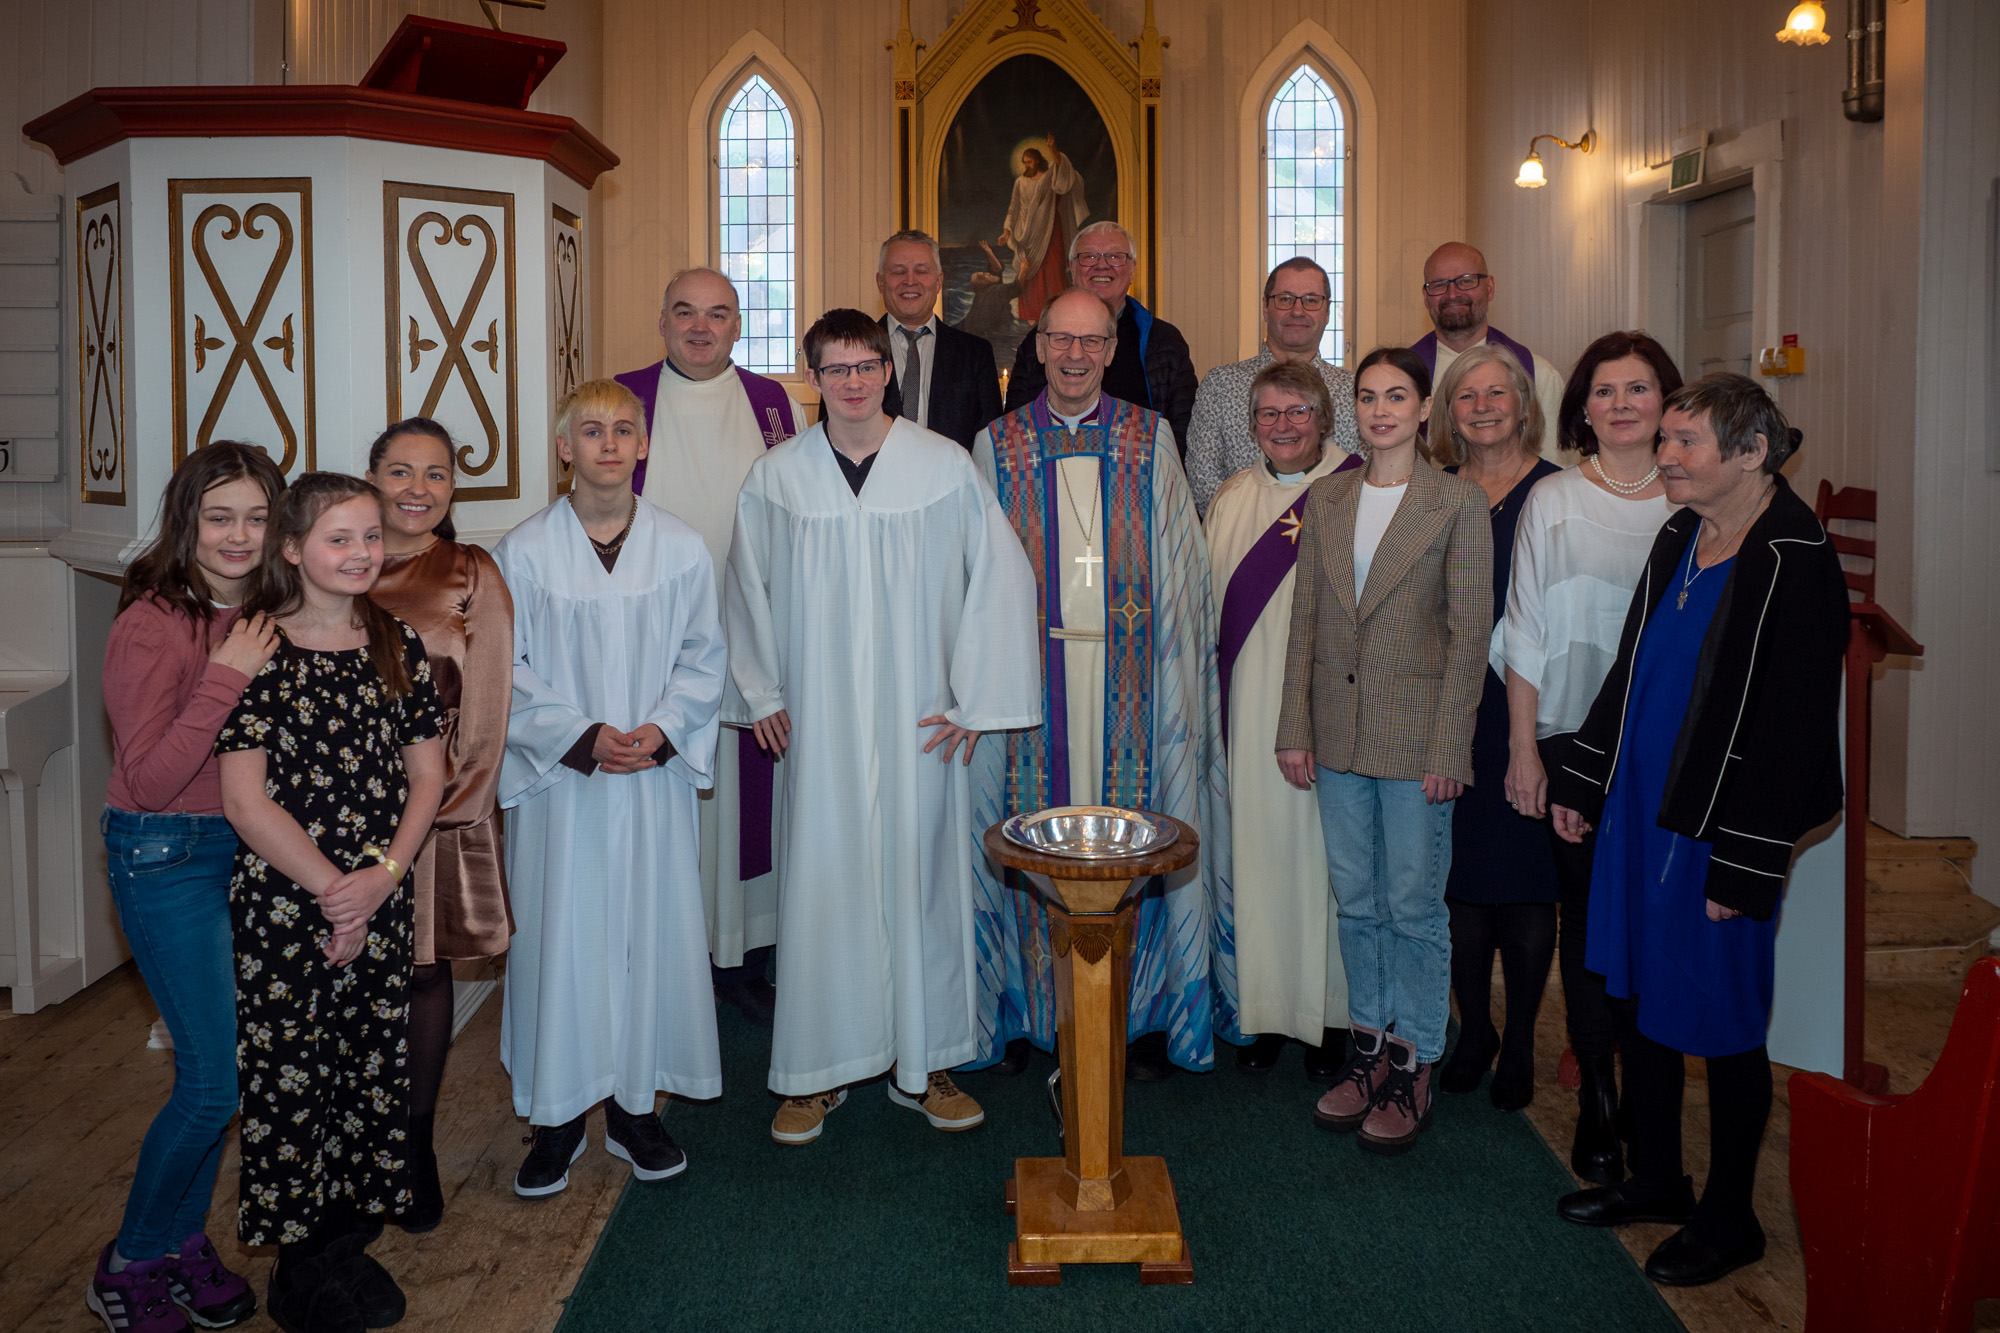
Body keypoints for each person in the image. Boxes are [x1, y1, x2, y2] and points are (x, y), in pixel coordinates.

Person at [1549, 374, 1847, 1287]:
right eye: (1666, 439)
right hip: (1644, 812)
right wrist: (1587, 775)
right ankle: (1657, 1178)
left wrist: (1747, 868)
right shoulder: (1682, 532)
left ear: (1751, 453)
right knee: (1637, 994)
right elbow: (1630, 666)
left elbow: (1796, 733)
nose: (1665, 457)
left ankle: (1730, 1218)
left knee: (1721, 1024)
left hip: (1718, 832)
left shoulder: (1796, 558)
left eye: (1686, 444)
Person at [723, 308, 1040, 1145]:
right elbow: (745, 590)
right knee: (819, 881)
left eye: (867, 366)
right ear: (813, 378)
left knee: (923, 880)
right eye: (836, 369)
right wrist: (759, 694)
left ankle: (927, 1062)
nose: (855, 381)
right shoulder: (778, 478)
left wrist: (977, 699)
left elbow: (998, 581)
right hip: (818, 718)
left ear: (887, 373)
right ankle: (813, 1070)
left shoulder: (941, 466)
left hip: (919, 719)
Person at [972, 287, 1235, 1083]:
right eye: (1062, 340)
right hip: (1030, 690)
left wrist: (1182, 681)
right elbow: (973, 578)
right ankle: (1023, 1009)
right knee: (1026, 830)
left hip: (1135, 684)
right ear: (1040, 346)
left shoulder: (1150, 437)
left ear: (1113, 350)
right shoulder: (997, 443)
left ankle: (1147, 1009)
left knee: (1139, 825)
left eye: (1093, 341)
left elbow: (1185, 573)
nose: (1077, 355)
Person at [216, 472, 446, 1333]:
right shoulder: (256, 646)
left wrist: (384, 874)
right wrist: (332, 894)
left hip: (380, 888)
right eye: (338, 538)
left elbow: (429, 772)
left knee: (365, 1068)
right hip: (288, 899)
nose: (360, 552)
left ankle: (345, 1242)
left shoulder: (396, 640)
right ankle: (298, 1266)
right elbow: (246, 798)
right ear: (291, 548)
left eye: (370, 536)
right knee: (292, 1078)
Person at [495, 380, 727, 1195]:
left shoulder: (682, 547)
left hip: (651, 783)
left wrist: (662, 730)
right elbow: (505, 671)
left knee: (647, 936)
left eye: (623, 429)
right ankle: (556, 1117)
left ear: (644, 444)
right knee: (561, 937)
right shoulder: (522, 552)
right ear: (564, 448)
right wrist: (581, 736)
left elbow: (705, 656)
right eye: (590, 430)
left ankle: (635, 1110)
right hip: (566, 786)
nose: (608, 443)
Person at [87, 442, 283, 1333]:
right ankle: (130, 1258)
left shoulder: (268, 611)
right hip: (163, 851)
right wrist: (226, 678)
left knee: (225, 1072)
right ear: (187, 522)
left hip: (243, 851)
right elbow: (155, 777)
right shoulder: (153, 622)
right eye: (219, 516)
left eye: (255, 516)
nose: (239, 535)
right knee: (211, 1081)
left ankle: (177, 1244)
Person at [1276, 346, 1490, 1156]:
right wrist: (1294, 726)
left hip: (1414, 741)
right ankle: (1367, 1045)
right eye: (1367, 397)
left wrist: (1451, 746)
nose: (1381, 410)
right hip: (1336, 731)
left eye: (1397, 395)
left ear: (1425, 407)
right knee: (1355, 899)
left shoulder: (1455, 503)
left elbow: (1470, 637)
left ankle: (1416, 1059)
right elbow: (1306, 627)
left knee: (1412, 905)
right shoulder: (1328, 498)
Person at [1491, 330, 1682, 1181]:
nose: (1620, 404)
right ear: (1582, 408)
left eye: (1638, 388)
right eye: (1605, 391)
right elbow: (1525, 631)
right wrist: (1523, 748)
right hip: (1572, 737)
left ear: (1666, 400)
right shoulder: (1554, 500)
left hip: (1670, 741)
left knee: (1655, 917)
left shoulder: (1697, 498)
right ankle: (1600, 1093)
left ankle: (1651, 1094)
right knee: (1589, 919)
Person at [613, 267, 798, 1027]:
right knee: (669, 803)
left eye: (717, 314)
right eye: (684, 311)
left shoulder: (772, 404)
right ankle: (669, 953)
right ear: (662, 320)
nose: (699, 326)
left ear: (737, 325)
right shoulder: (625, 396)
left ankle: (745, 956)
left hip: (751, 629)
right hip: (651, 644)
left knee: (748, 803)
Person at [364, 418, 515, 1231]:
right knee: (346, 982)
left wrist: (447, 811)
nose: (418, 489)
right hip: (336, 817)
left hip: (435, 811)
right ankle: (358, 1139)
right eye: (399, 472)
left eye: (436, 473)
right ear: (372, 478)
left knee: (423, 974)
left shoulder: (470, 572)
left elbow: (489, 706)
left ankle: (414, 1144)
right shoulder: (332, 565)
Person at [1204, 361, 1360, 1081]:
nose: (1283, 426)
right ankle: (1264, 1010)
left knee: (1326, 863)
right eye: (1268, 414)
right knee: (1258, 856)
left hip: (1327, 712)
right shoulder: (1234, 495)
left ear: (1325, 417)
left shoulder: (1356, 489)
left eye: (1298, 412)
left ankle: (1329, 1015)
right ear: (1250, 424)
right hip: (1245, 708)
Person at [1429, 344, 1561, 1110]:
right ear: (1448, 413)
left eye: (1495, 393)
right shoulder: (1435, 491)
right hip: (1453, 705)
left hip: (1533, 711)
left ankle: (1521, 1040)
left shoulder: (1558, 491)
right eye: (1465, 396)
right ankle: (1472, 1029)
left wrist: (1532, 736)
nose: (1481, 406)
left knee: (1527, 881)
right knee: (1463, 879)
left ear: (1522, 402)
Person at [1186, 256, 1362, 516]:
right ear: (1265, 309)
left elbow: (1370, 478)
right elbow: (1203, 483)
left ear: (1327, 311)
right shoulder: (1221, 385)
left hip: (1337, 542)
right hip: (1248, 546)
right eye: (1285, 299)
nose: (1298, 310)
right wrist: (1267, 535)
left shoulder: (1356, 391)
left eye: (1311, 300)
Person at [1002, 221, 1199, 453]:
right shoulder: (1043, 337)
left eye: (1115, 256)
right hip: (1055, 469)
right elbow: (1016, 424)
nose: (1102, 266)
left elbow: (1185, 429)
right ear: (1072, 269)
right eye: (1089, 257)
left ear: (1132, 270)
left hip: (1140, 472)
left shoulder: (1165, 342)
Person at [1414, 243, 1565, 463]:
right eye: (1438, 285)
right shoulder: (1403, 376)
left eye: (1466, 281)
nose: (1453, 294)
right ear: (1426, 297)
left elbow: (1555, 469)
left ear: (1490, 287)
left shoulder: (1539, 374)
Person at [875, 228, 1004, 449]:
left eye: (922, 271)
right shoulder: (851, 353)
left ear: (938, 282)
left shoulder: (975, 355)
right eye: (898, 271)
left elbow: (991, 445)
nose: (910, 280)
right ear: (880, 282)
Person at [998, 135, 1087, 326]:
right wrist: (1007, 231)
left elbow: (1063, 171)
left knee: (1054, 268)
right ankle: (1032, 313)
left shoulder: (1050, 177)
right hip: (1027, 234)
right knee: (1030, 274)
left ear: (1037, 160)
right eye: (1024, 163)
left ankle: (1059, 312)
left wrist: (1052, 148)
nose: (1027, 165)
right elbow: (1014, 207)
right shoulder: (1020, 182)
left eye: (1029, 162)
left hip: (1051, 229)